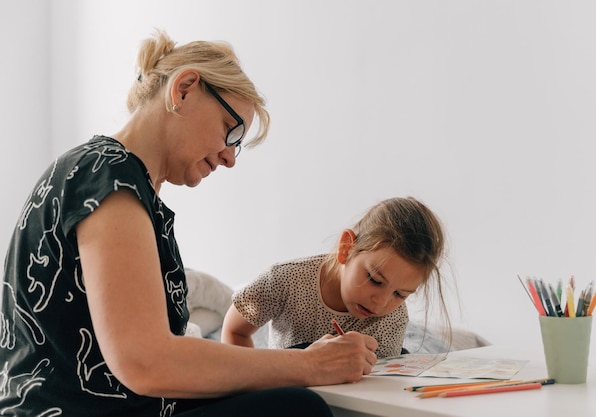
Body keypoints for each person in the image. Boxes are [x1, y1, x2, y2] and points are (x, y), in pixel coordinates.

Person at [0, 30, 378, 417]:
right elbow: (144, 361)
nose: (231, 157)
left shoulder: (116, 178)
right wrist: (308, 367)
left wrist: (303, 362)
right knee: (299, 408)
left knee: (298, 372)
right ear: (184, 89)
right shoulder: (108, 175)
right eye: (231, 131)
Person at [222, 196, 450, 359]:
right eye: (375, 280)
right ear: (346, 248)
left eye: (400, 294)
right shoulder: (284, 280)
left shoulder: (394, 318)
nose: (381, 303)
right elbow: (234, 330)